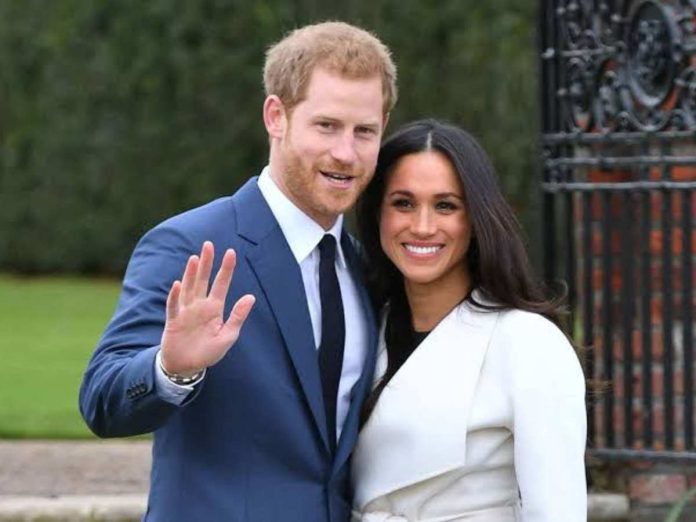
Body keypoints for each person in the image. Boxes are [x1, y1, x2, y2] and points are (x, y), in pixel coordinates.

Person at [79, 21, 397, 522]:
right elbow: (101, 400)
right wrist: (170, 368)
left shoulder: (365, 266)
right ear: (277, 116)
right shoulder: (189, 245)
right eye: (327, 126)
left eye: (365, 132)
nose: (346, 153)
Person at [351, 120, 587, 521]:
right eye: (403, 203)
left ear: (476, 219)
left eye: (446, 205)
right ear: (378, 214)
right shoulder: (362, 325)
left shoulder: (528, 342)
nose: (423, 227)